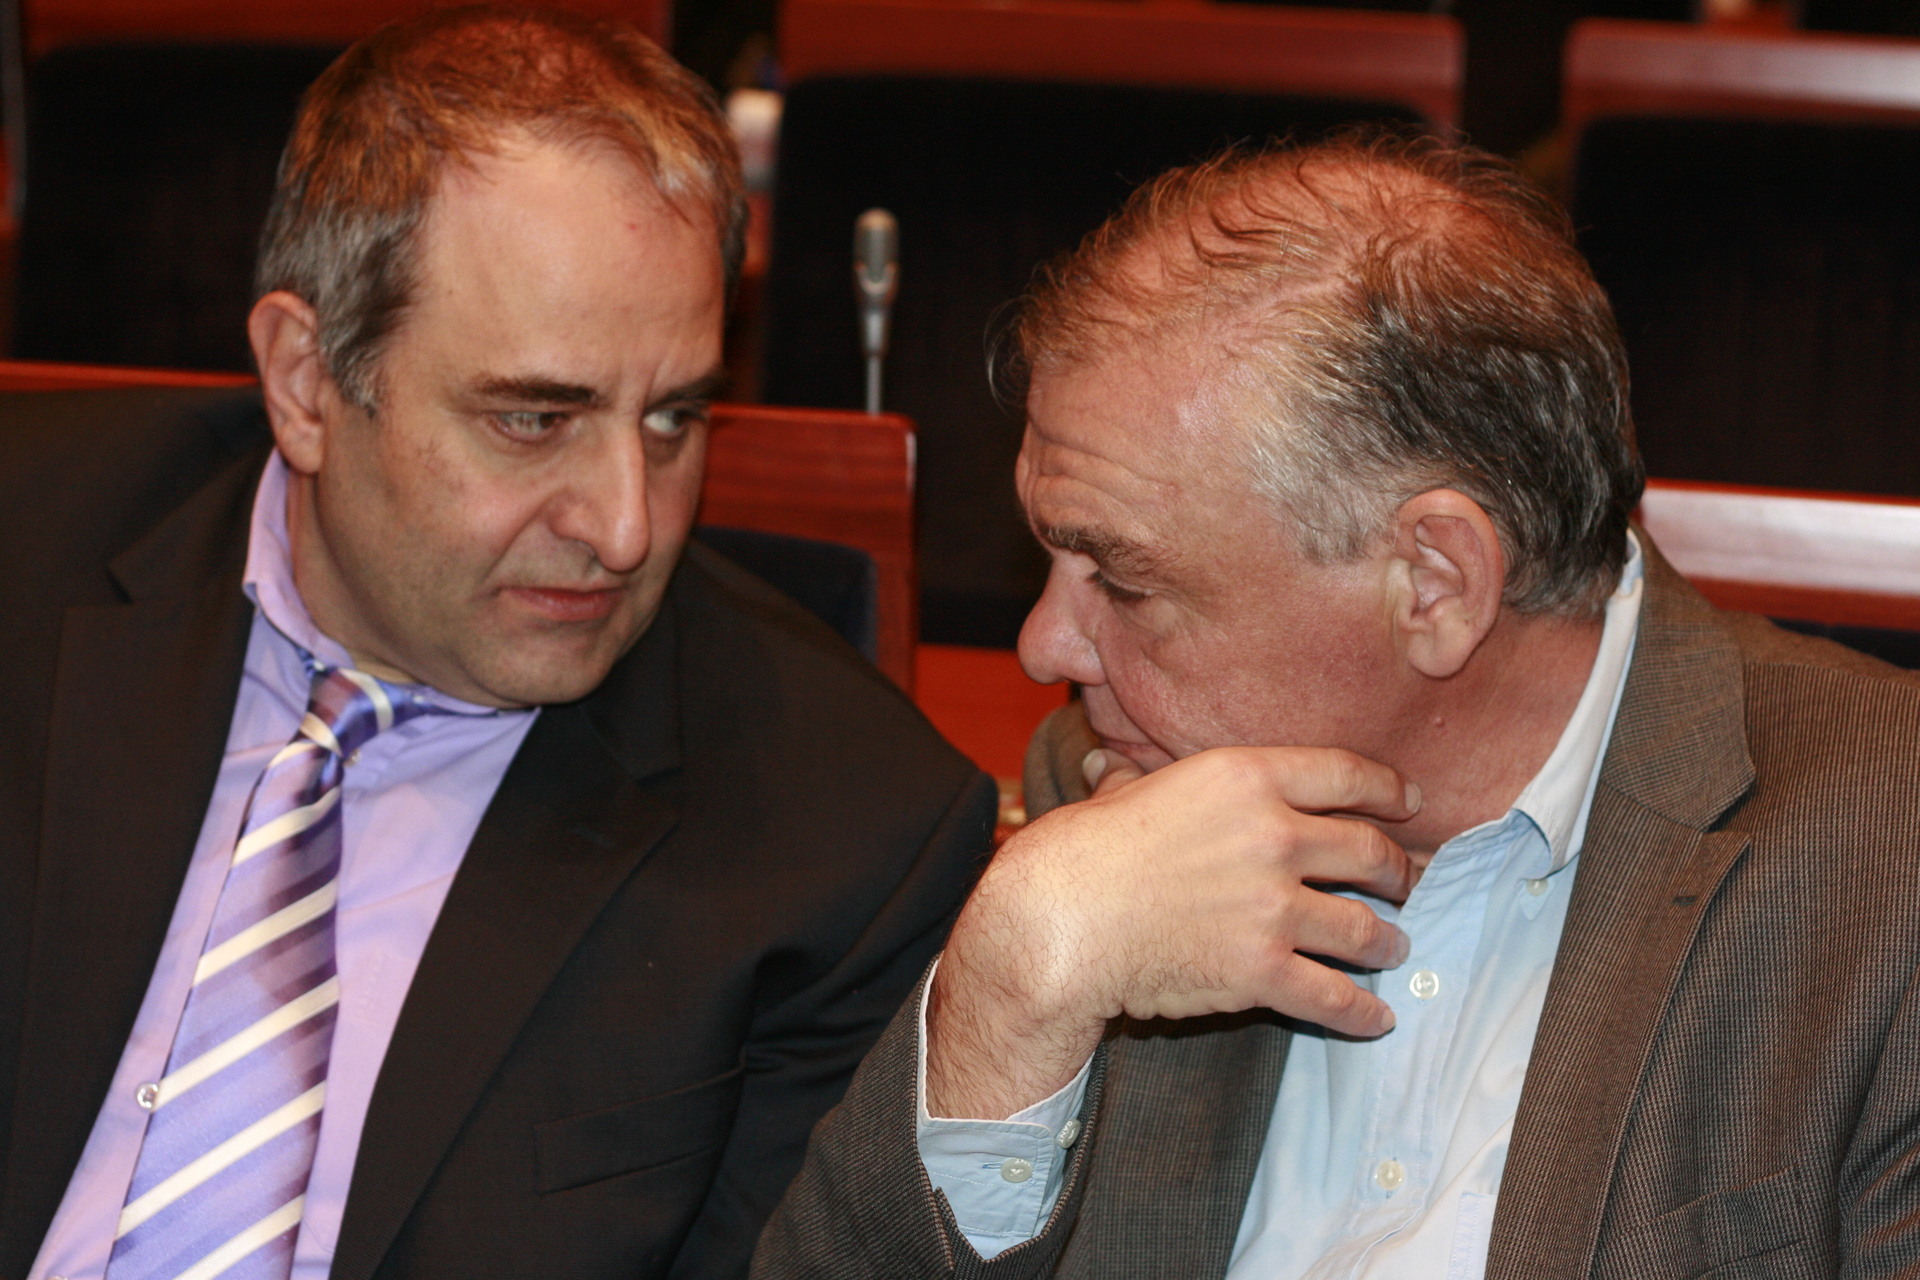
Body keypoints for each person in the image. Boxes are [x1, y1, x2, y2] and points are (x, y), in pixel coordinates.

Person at [754, 130, 1920, 1277]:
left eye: (1125, 580)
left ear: (1434, 582)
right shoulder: (1120, 822)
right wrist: (1003, 1008)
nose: (1042, 645)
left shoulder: (1883, 874)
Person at [0, 9, 995, 1280]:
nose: (627, 527)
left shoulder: (847, 837)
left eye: (674, 416)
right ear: (306, 381)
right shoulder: (26, 555)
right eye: (534, 418)